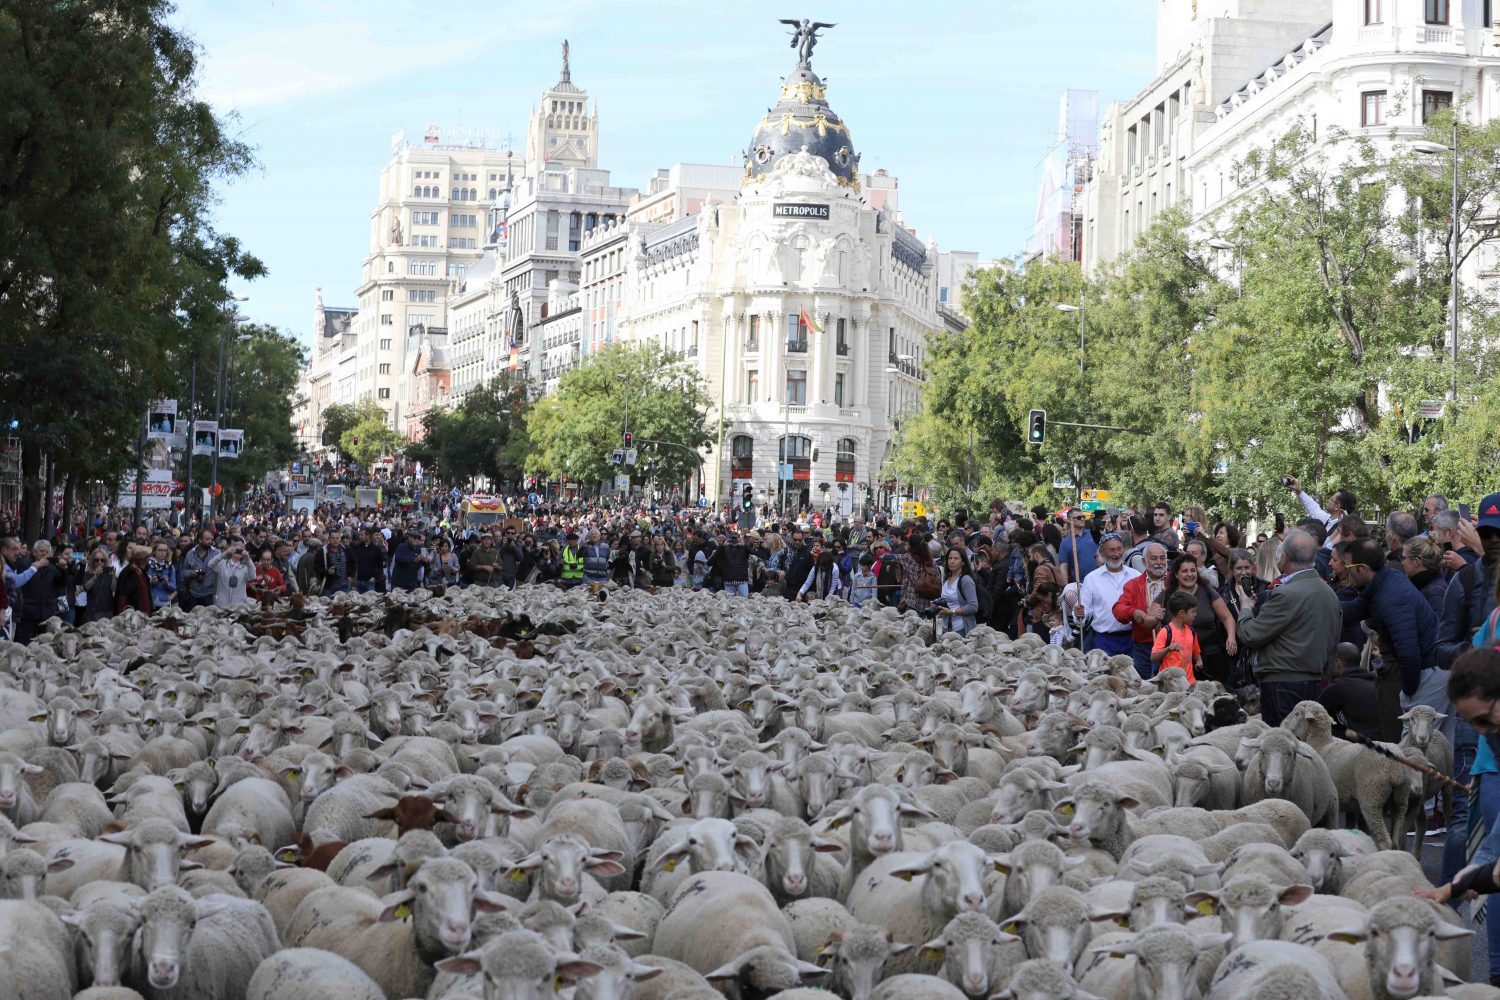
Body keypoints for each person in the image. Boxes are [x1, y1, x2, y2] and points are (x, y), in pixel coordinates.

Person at [1235, 529, 1342, 728]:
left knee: (1282, 748)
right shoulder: (1329, 593)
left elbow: (1250, 634)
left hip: (1282, 683)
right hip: (1315, 681)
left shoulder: (1286, 593)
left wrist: (1245, 609)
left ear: (1283, 558)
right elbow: (1333, 643)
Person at [1343, 536, 1439, 744]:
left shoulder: (1392, 596)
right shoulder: (1383, 582)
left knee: (1404, 741)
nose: (1345, 571)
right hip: (1405, 668)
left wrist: (1409, 694)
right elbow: (1351, 611)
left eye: (1348, 566)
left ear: (1362, 568)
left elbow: (1408, 650)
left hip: (1419, 672)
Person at [1164, 551, 1238, 686]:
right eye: (1184, 571)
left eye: (1193, 570)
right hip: (1178, 657)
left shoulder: (1207, 590)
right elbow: (1151, 619)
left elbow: (1227, 617)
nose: (1190, 574)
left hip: (1210, 655)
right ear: (1176, 574)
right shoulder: (1167, 594)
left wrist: (1231, 637)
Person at [1074, 533, 1140, 656]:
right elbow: (1084, 611)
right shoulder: (1092, 578)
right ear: (1103, 552)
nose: (1116, 554)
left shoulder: (1135, 576)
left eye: (1119, 549)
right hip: (1103, 640)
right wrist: (1079, 613)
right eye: (1111, 550)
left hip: (1132, 639)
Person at [1113, 542, 1170, 680]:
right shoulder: (1133, 584)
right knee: (1145, 687)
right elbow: (1118, 608)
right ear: (1144, 561)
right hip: (1144, 647)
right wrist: (1133, 612)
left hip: (1171, 645)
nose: (1159, 562)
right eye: (1154, 558)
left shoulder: (1175, 580)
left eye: (1162, 558)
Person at [1319, 642, 1381, 741]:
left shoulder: (1337, 687)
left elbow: (1317, 713)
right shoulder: (1376, 682)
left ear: (1338, 663)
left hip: (1355, 746)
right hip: (1381, 742)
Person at [1285, 476, 1356, 545]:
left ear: (1337, 506)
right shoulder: (1328, 520)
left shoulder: (1343, 532)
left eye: (1331, 499)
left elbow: (1326, 546)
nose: (1329, 500)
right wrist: (1299, 490)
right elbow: (1313, 507)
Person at [1152, 591, 1202, 681]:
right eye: (1193, 611)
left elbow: (1195, 652)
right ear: (1181, 613)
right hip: (1171, 685)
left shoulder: (1191, 631)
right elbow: (1154, 657)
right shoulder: (1166, 632)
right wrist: (1168, 649)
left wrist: (1199, 661)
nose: (1196, 614)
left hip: (1189, 683)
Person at [1403, 534, 1449, 620]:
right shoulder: (1424, 585)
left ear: (1416, 561)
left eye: (1404, 558)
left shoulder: (1435, 591)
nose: (1402, 563)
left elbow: (1439, 629)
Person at [935, 546, 979, 637]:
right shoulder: (946, 578)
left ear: (963, 562)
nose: (952, 561)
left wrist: (952, 612)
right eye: (950, 558)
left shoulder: (966, 580)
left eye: (956, 558)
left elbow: (973, 606)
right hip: (946, 626)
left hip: (961, 627)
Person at [179, 530, 220, 612]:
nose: (210, 541)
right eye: (207, 539)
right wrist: (191, 573)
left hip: (210, 594)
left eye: (211, 539)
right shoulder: (190, 554)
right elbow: (183, 572)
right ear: (200, 540)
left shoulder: (216, 553)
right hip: (193, 594)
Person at [1057, 509, 1097, 586]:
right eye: (1079, 517)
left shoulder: (1093, 533)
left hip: (1099, 582)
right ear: (1069, 520)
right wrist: (1067, 588)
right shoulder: (1065, 543)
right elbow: (1064, 566)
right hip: (1080, 585)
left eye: (1083, 516)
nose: (1082, 519)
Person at [78, 548, 115, 624]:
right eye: (97, 560)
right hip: (92, 611)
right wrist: (95, 576)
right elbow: (86, 588)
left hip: (107, 611)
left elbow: (114, 589)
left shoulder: (109, 574)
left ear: (106, 561)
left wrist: (114, 577)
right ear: (93, 561)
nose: (100, 562)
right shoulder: (88, 573)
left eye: (102, 560)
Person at [114, 545, 152, 615]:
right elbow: (123, 596)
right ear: (141, 559)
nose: (148, 559)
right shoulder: (128, 573)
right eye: (147, 557)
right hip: (133, 614)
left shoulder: (141, 571)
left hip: (144, 612)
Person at [712, 531, 751, 598]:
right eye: (732, 539)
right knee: (730, 601)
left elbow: (752, 553)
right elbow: (716, 557)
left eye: (736, 539)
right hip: (728, 580)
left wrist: (744, 545)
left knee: (744, 600)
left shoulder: (744, 548)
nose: (734, 541)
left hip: (742, 579)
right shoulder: (725, 548)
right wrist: (723, 546)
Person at [145, 541, 177, 610]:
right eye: (160, 550)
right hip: (150, 601)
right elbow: (142, 585)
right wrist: (151, 583)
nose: (163, 552)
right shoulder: (147, 565)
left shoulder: (170, 567)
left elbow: (174, 587)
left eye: (165, 550)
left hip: (165, 603)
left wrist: (167, 584)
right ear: (154, 551)